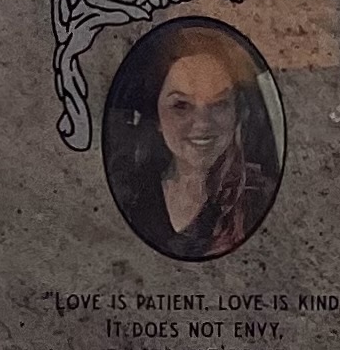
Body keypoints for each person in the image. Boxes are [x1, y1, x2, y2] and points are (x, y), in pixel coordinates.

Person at [102, 20, 282, 261]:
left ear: (237, 113)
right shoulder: (130, 196)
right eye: (181, 105)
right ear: (155, 117)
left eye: (219, 104)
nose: (202, 123)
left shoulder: (259, 200)